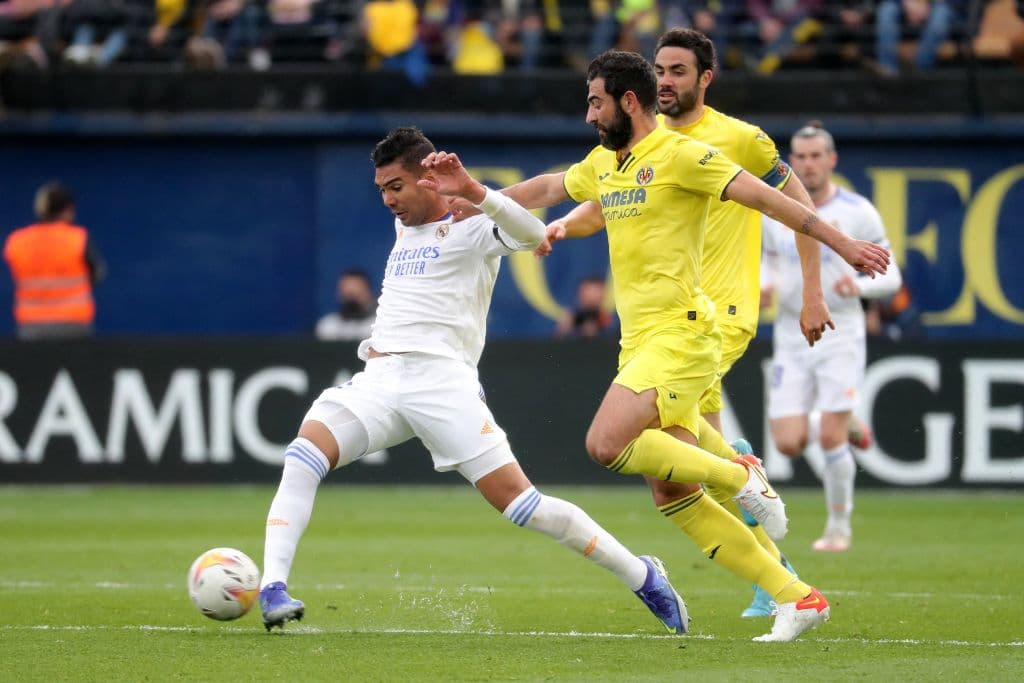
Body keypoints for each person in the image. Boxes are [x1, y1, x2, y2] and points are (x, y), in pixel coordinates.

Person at [496, 50, 890, 642]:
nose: (587, 115)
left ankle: (739, 476)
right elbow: (555, 187)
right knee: (672, 488)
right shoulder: (610, 163)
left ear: (628, 102)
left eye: (595, 102)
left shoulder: (691, 152)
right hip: (642, 339)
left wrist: (840, 245)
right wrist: (475, 197)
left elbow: (773, 199)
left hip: (688, 329)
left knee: (607, 442)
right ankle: (794, 594)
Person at [258, 126, 689, 636]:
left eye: (396, 186)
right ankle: (273, 588)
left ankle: (642, 575)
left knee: (526, 507)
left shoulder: (474, 224)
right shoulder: (407, 226)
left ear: (426, 180)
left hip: (443, 385)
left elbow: (531, 234)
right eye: (381, 190)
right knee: (303, 455)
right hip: (380, 379)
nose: (388, 200)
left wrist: (475, 192)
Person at [539, 27, 833, 620]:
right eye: (659, 70)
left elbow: (796, 205)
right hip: (660, 322)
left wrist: (813, 291)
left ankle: (748, 489)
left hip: (714, 315)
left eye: (678, 71)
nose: (666, 81)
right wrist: (561, 225)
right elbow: (601, 202)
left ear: (705, 78)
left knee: (649, 444)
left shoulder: (736, 140)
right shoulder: (636, 147)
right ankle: (782, 579)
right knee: (672, 474)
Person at [761, 121, 902, 553]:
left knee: (829, 435)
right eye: (799, 157)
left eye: (816, 156)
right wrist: (764, 283)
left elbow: (891, 274)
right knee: (788, 441)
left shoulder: (858, 210)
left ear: (832, 160)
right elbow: (767, 262)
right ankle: (847, 414)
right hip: (790, 333)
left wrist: (858, 287)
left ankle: (839, 527)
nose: (807, 164)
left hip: (840, 331)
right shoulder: (775, 209)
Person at [3, 181, 106, 340]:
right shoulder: (78, 239)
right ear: (68, 210)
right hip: (75, 325)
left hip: (31, 327)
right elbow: (97, 274)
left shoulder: (17, 241)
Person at [315, 268, 377, 341]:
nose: (351, 299)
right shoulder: (327, 326)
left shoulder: (379, 326)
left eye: (356, 294)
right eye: (347, 294)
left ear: (369, 293)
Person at [554, 274, 615, 338]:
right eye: (587, 295)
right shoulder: (572, 319)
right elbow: (555, 343)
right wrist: (564, 329)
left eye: (595, 295)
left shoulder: (609, 321)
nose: (592, 298)